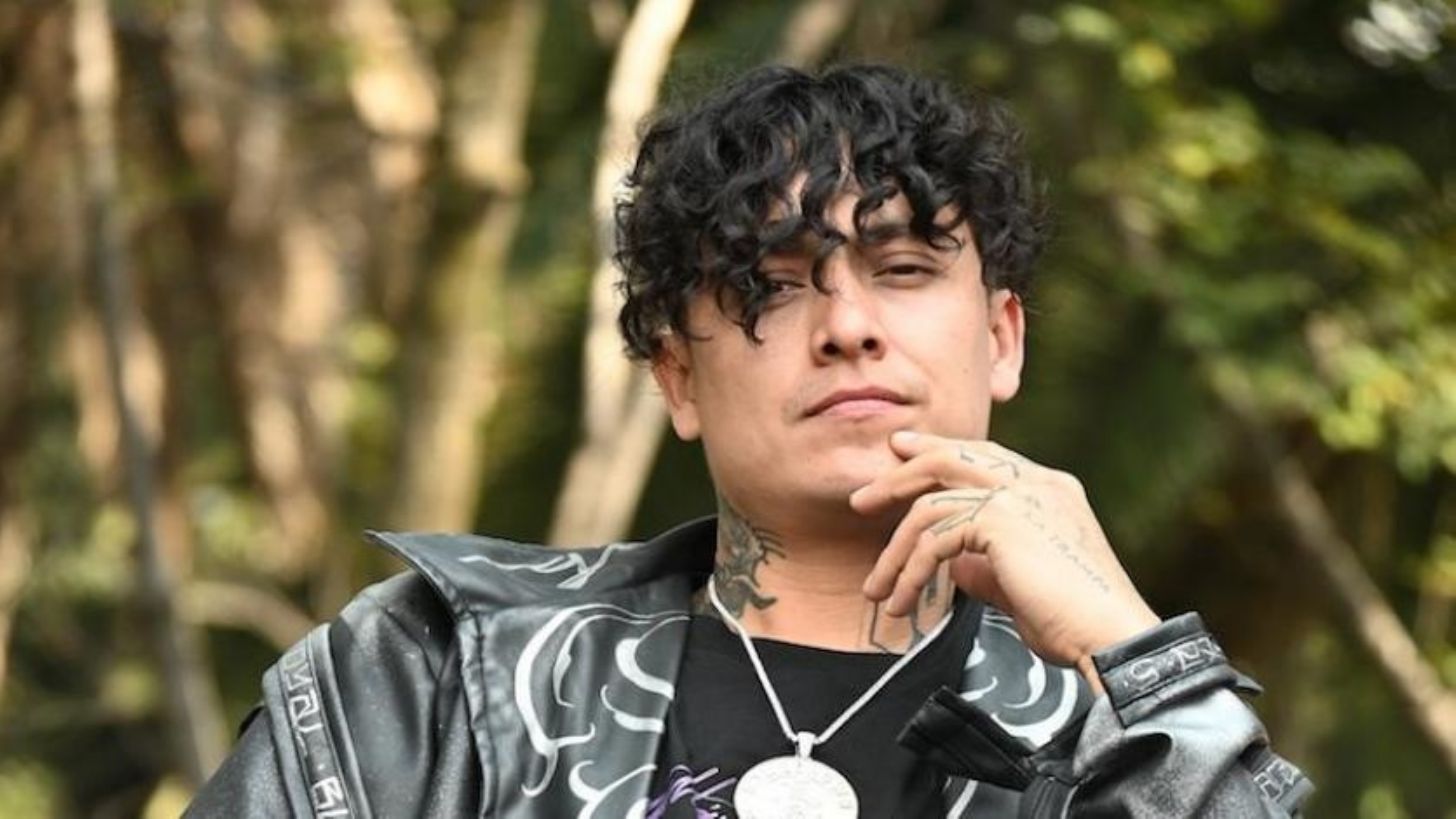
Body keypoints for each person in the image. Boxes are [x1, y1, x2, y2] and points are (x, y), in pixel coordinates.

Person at [186, 64, 1312, 818]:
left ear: (1001, 339)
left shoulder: (1111, 734)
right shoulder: (430, 668)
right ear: (676, 373)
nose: (849, 325)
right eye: (772, 283)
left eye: (903, 267)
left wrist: (1135, 655)